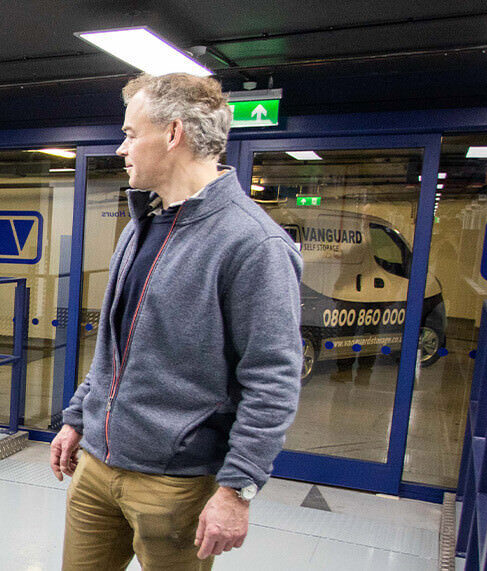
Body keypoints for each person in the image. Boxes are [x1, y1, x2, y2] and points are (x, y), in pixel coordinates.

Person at [49, 73, 304, 570]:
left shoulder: (252, 244)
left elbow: (273, 379)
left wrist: (236, 491)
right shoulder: (141, 224)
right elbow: (113, 350)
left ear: (173, 133)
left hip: (176, 483)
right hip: (97, 470)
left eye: (130, 133)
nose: (122, 148)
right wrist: (79, 417)